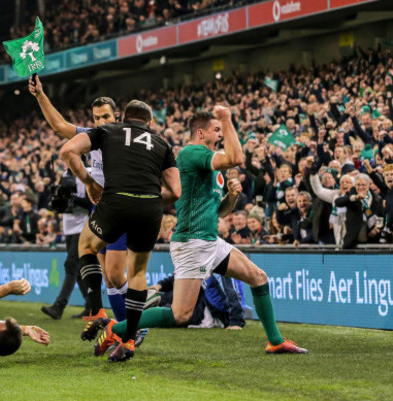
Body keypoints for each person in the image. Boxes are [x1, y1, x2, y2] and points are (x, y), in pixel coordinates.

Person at [83, 107, 308, 356]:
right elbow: (235, 158)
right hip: (192, 243)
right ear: (201, 133)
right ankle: (117, 329)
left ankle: (275, 341)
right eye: (216, 130)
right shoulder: (192, 153)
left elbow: (220, 212)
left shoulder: (209, 164)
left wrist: (232, 198)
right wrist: (226, 118)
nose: (220, 134)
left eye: (221, 130)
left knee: (258, 277)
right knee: (180, 315)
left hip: (210, 241)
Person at [60, 99, 181, 362]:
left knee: (86, 246)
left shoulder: (108, 132)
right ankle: (129, 341)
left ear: (122, 118)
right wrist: (147, 198)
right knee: (137, 273)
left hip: (115, 202)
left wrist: (88, 182)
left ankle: (96, 311)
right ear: (150, 123)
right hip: (150, 207)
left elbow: (68, 150)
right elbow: (175, 191)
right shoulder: (161, 143)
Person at [29, 75, 130, 322]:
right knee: (108, 276)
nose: (101, 122)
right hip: (100, 214)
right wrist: (40, 95)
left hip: (118, 211)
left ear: (116, 116)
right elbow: (60, 126)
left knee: (117, 275)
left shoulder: (124, 138)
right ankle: (118, 326)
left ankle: (132, 322)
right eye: (96, 118)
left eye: (106, 116)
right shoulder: (93, 137)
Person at [41, 169, 93, 319]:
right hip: (69, 227)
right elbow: (61, 202)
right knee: (77, 269)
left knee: (71, 264)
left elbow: (92, 203)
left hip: (83, 226)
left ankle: (59, 306)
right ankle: (91, 306)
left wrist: (73, 198)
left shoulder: (88, 173)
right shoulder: (65, 174)